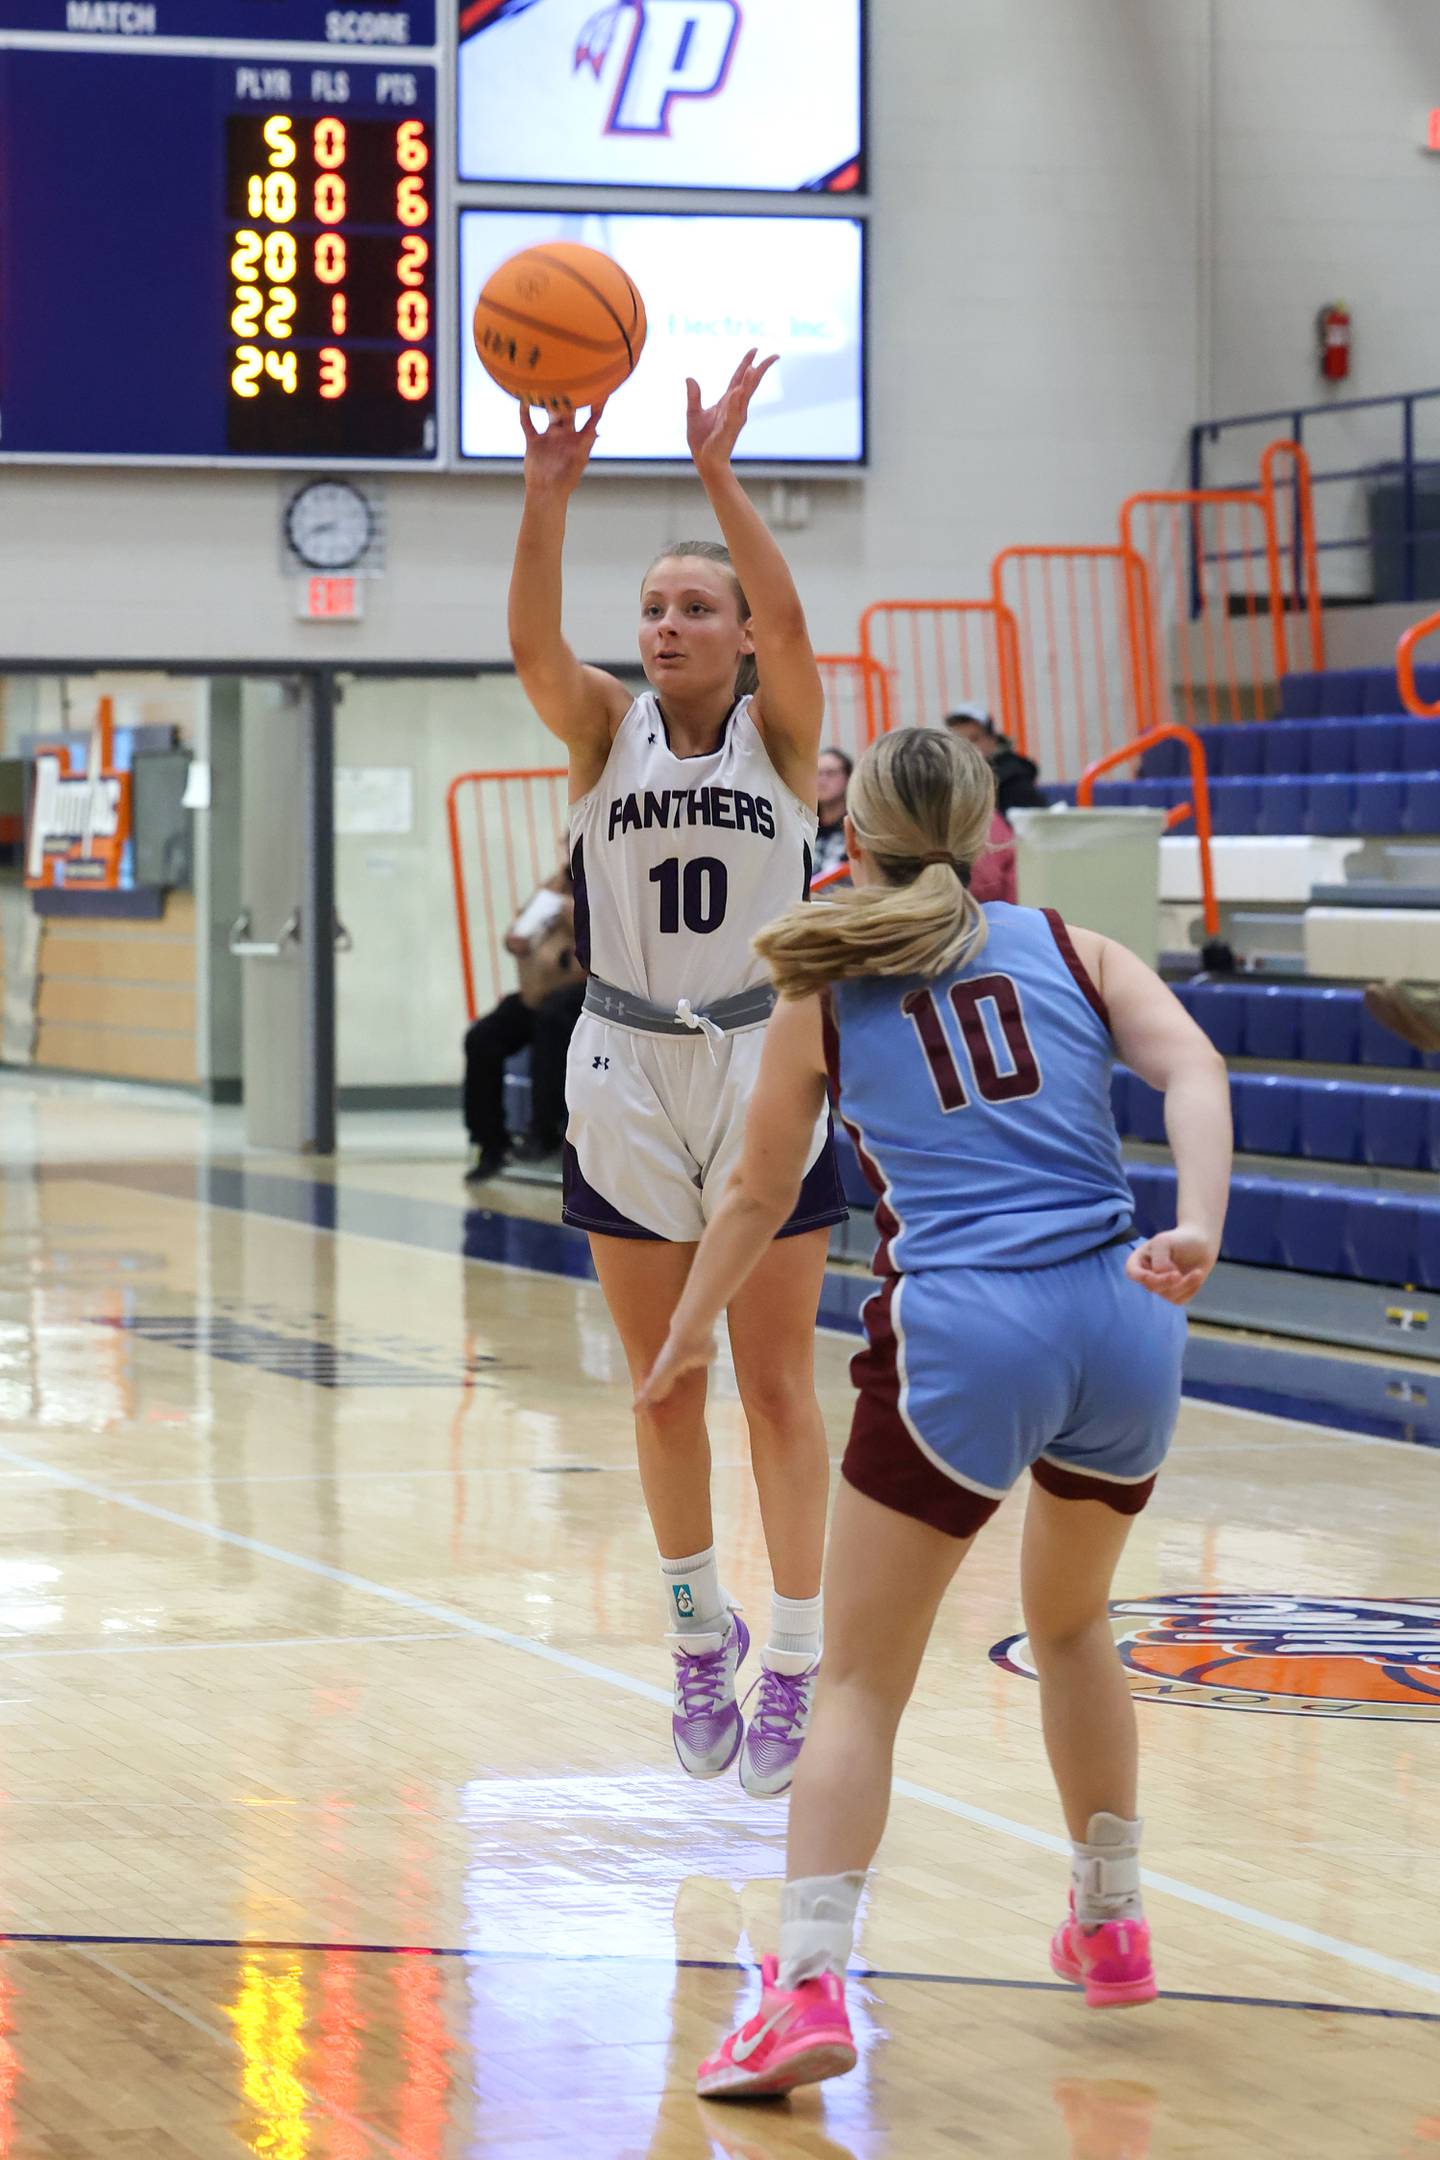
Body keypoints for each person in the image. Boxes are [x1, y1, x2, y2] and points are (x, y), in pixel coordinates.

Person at [637, 727, 1232, 2098]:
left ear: (854, 838)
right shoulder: (1074, 946)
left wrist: (681, 1341)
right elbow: (1195, 1068)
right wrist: (1196, 1224)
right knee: (1074, 1625)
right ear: (989, 829)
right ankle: (1112, 1921)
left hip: (970, 1329)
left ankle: (800, 1991)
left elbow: (753, 1195)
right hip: (1127, 1318)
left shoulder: (826, 979)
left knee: (855, 1681)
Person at [506, 350, 846, 1798]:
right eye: (651, 607)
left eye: (693, 607)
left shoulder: (784, 732)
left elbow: (791, 609)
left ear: (742, 637)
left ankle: (798, 1659)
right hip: (627, 1061)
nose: (665, 624)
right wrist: (544, 498)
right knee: (658, 1385)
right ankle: (697, 1635)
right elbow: (532, 644)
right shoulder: (602, 730)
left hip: (764, 1056)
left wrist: (720, 472)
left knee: (773, 1382)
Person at [463, 858, 587, 1184]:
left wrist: (570, 910)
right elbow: (518, 930)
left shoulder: (608, 882)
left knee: (552, 1025)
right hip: (538, 995)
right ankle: (490, 1144)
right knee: (482, 1038)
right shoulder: (555, 884)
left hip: (584, 996)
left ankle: (544, 1133)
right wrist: (513, 939)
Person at [946, 701, 1047, 816]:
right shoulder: (951, 776)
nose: (966, 747)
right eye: (958, 741)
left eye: (974, 739)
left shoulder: (1013, 780)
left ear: (992, 740)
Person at [812, 747, 852, 881]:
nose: (822, 780)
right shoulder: (804, 826)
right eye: (817, 773)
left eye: (830, 773)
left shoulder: (858, 828)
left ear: (847, 778)